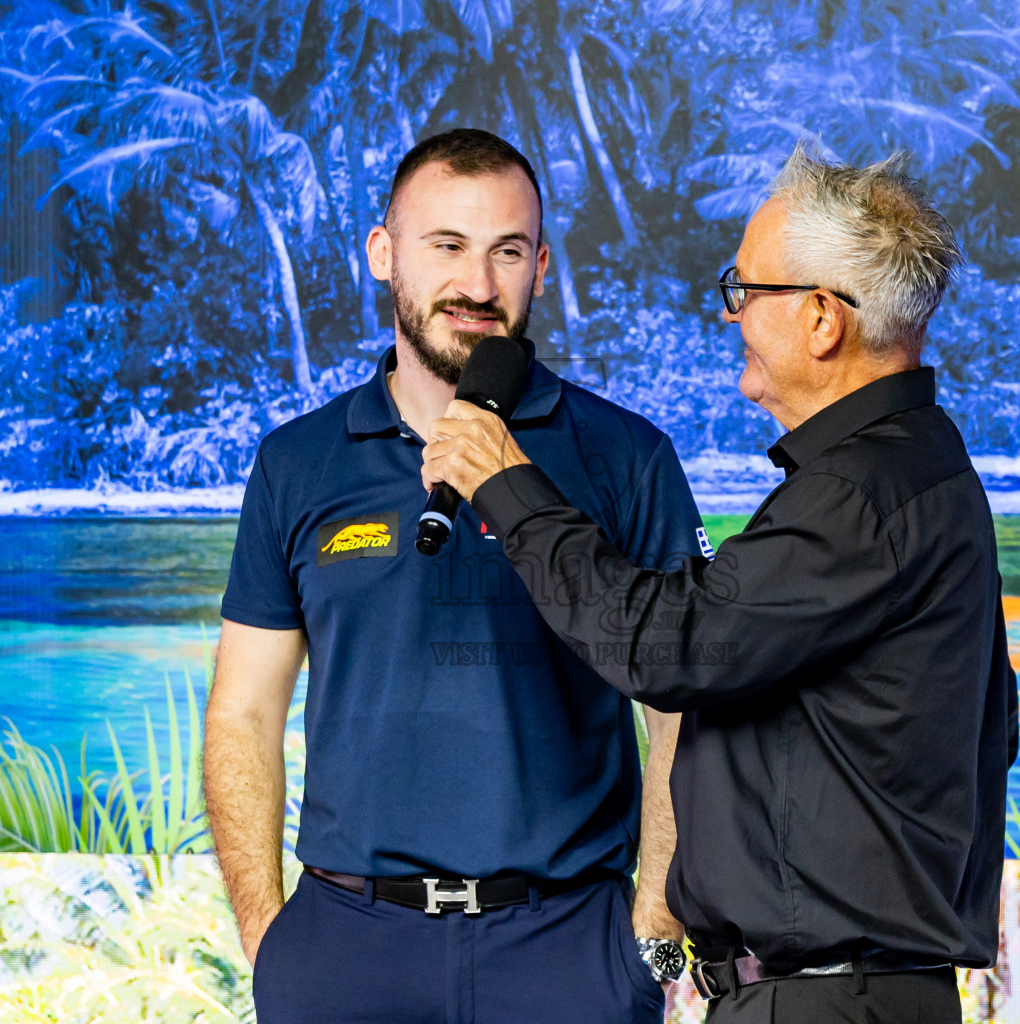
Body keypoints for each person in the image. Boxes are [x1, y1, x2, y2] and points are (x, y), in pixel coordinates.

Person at [421, 143, 1019, 1024]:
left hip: (823, 1004)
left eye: (745, 292)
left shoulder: (860, 495)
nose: (732, 316)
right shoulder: (903, 476)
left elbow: (672, 647)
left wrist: (506, 482)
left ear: (822, 320)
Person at [205, 128, 704, 1024]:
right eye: (448, 247)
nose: (478, 285)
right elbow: (243, 712)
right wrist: (266, 932)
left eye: (506, 252)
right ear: (383, 255)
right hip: (347, 945)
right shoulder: (298, 463)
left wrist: (654, 928)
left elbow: (681, 707)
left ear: (541, 268)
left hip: (567, 948)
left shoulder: (625, 456)